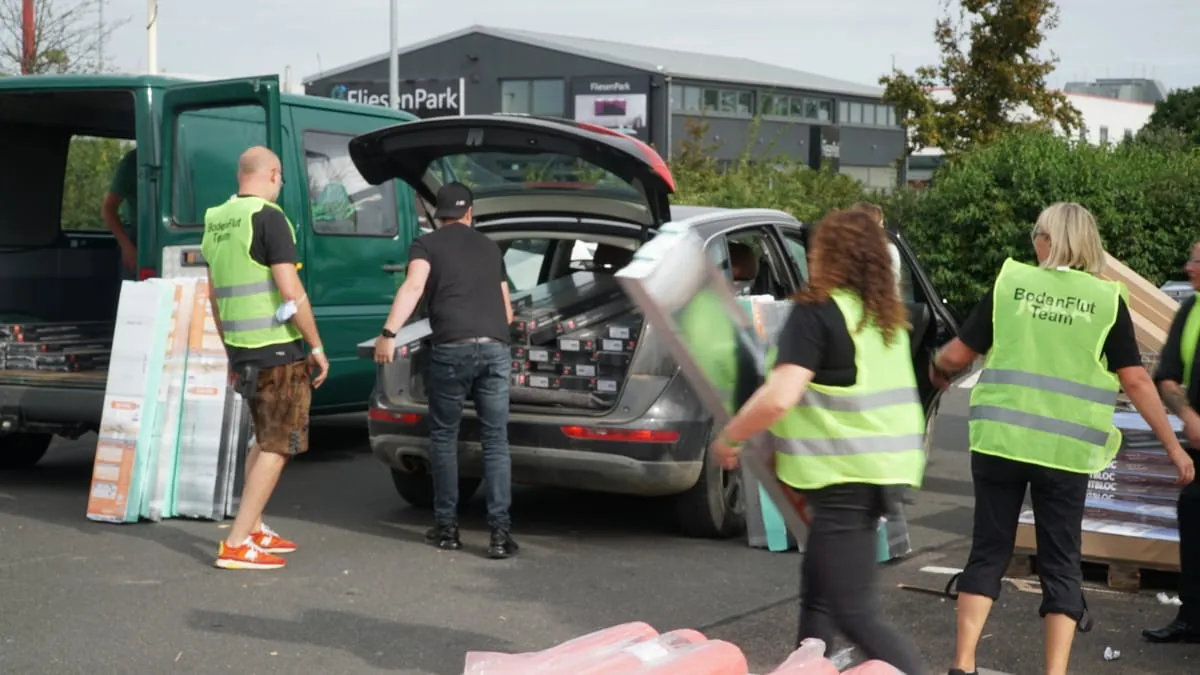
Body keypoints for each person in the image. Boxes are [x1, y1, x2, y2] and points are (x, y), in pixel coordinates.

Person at [928, 202, 1195, 675]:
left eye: (1037, 233)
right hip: (1063, 452)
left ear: (1047, 241)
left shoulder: (1011, 283)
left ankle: (963, 665)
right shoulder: (1105, 300)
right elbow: (1134, 380)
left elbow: (959, 352)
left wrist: (938, 368)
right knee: (1061, 561)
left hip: (1000, 443)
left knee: (988, 550)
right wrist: (1173, 447)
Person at [711, 209, 927, 675]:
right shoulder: (878, 319)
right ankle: (807, 665)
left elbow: (780, 396)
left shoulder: (817, 312)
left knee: (852, 611)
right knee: (820, 596)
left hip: (845, 479)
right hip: (875, 474)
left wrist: (731, 437)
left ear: (828, 255)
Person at [202, 146, 330, 571]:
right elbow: (291, 293)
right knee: (277, 446)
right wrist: (315, 345)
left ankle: (252, 525)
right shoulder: (270, 218)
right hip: (278, 349)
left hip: (243, 349)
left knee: (263, 438)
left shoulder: (215, 219)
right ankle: (237, 543)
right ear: (274, 173)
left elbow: (216, 298)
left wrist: (229, 354)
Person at [374, 182, 518, 559]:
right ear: (470, 212)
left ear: (439, 215)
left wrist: (389, 334)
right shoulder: (490, 248)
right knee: (496, 441)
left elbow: (414, 286)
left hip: (452, 348)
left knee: (443, 437)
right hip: (494, 349)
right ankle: (500, 535)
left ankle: (447, 528)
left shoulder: (426, 245)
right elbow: (507, 312)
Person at [1142, 238, 1200, 644]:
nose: (1188, 267)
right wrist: (1188, 415)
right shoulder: (1190, 311)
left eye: (1196, 261)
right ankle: (1192, 619)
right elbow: (1166, 375)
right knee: (1194, 528)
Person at [101, 147, 139, 278]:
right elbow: (108, 209)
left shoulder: (181, 158)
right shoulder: (133, 161)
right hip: (135, 236)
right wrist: (127, 247)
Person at [848, 202, 901, 294]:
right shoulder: (889, 251)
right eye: (880, 225)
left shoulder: (842, 252)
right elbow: (892, 288)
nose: (883, 229)